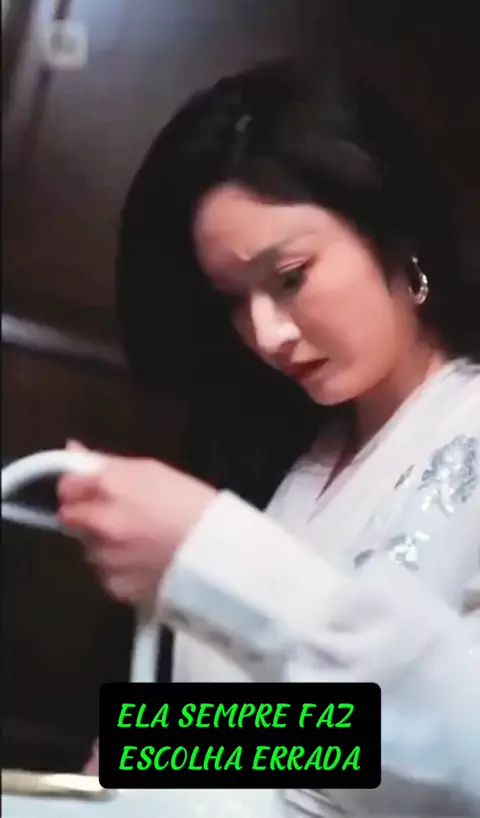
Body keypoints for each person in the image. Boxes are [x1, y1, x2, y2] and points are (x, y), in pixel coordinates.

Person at [58, 60, 480, 817]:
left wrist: (213, 554)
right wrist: (146, 748)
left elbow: (459, 746)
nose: (266, 334)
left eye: (289, 277)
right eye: (233, 299)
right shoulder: (294, 453)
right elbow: (313, 733)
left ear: (392, 227)